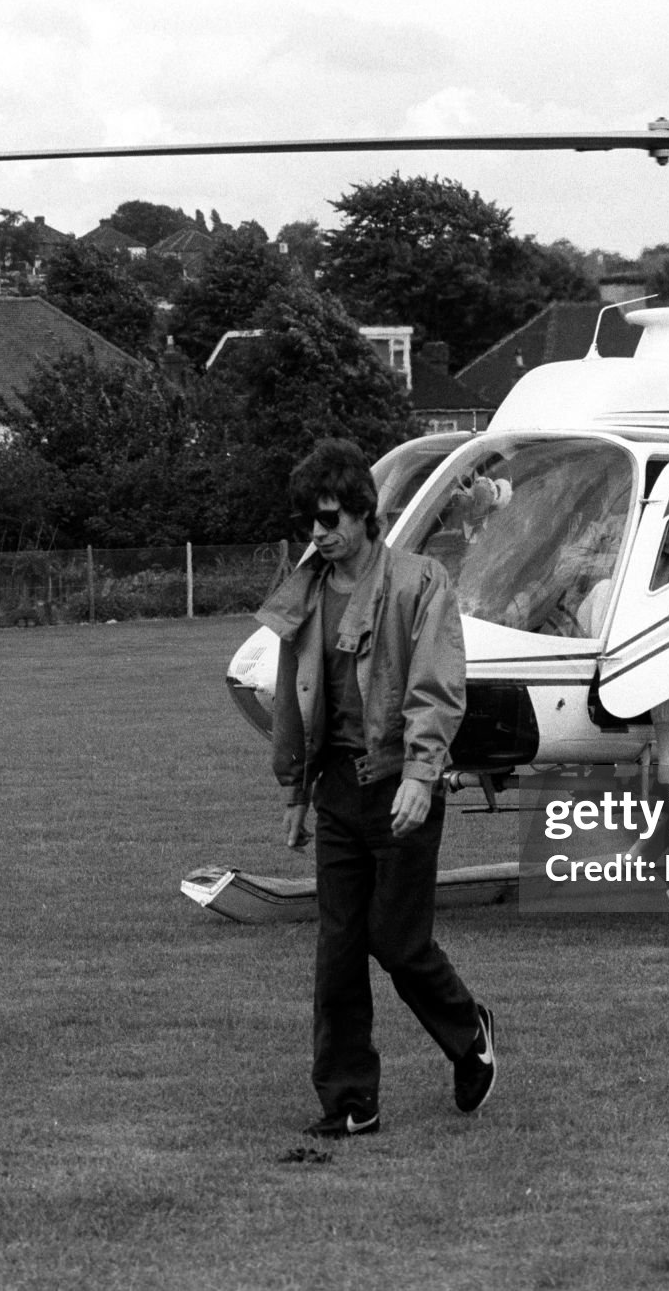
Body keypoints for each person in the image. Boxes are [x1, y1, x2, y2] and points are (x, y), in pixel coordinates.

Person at [257, 439, 497, 1138]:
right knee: (337, 952)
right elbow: (293, 696)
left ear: (365, 513)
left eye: (329, 519)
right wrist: (296, 791)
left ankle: (469, 1029)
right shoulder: (302, 592)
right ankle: (351, 1099)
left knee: (396, 940)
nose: (318, 535)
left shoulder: (420, 582)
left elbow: (438, 687)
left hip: (401, 787)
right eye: (309, 523)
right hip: (337, 792)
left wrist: (422, 774)